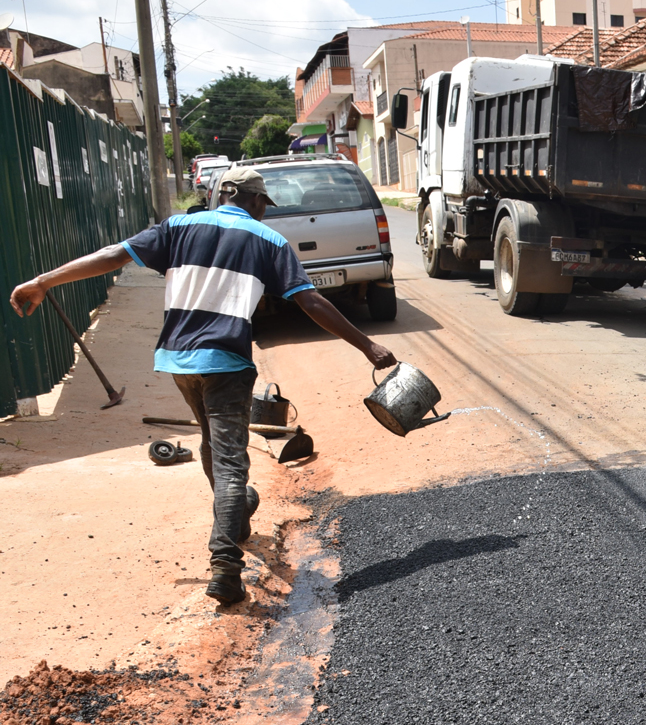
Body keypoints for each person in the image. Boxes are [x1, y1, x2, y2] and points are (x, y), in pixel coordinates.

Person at [8, 166, 396, 605]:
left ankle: (238, 516)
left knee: (213, 444)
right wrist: (367, 346)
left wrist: (43, 281)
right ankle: (225, 564)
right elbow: (308, 299)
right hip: (226, 362)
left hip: (178, 361)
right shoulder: (268, 241)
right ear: (255, 201)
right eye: (264, 205)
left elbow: (113, 255)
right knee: (232, 463)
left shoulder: (178, 226)